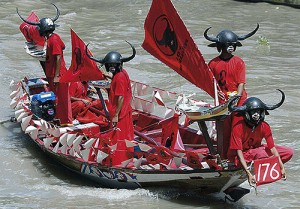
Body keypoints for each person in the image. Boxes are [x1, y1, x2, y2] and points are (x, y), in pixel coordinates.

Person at [204, 24, 259, 157]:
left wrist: (236, 98)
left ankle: (236, 155)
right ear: (221, 46)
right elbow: (210, 83)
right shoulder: (212, 64)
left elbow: (241, 84)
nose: (231, 47)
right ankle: (223, 155)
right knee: (223, 129)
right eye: (228, 44)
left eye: (233, 45)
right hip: (222, 102)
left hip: (239, 102)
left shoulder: (239, 62)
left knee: (237, 128)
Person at [17, 4, 73, 126]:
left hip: (58, 74)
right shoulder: (54, 38)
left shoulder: (54, 40)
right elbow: (63, 47)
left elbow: (58, 57)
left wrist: (57, 75)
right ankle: (60, 119)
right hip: (53, 73)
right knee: (57, 97)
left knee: (62, 98)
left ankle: (66, 122)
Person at [227, 90, 293, 186]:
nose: (256, 115)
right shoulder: (238, 127)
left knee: (288, 152)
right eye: (253, 112)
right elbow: (239, 152)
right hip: (241, 157)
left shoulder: (264, 126)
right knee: (261, 152)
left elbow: (272, 148)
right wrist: (248, 173)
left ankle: (262, 165)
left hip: (256, 152)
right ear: (246, 113)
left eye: (258, 111)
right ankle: (255, 167)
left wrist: (281, 168)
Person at [86, 41, 136, 142]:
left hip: (120, 112)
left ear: (119, 64)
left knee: (118, 137)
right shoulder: (122, 72)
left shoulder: (119, 78)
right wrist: (107, 75)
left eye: (114, 64)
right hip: (125, 110)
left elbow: (120, 97)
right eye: (110, 64)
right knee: (126, 136)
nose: (112, 66)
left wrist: (116, 116)